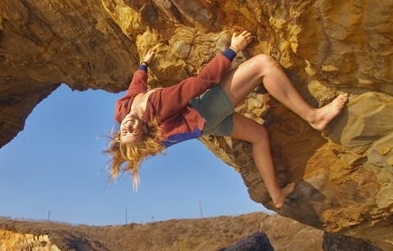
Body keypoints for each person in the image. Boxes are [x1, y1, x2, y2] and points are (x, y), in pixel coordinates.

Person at [106, 29, 349, 208]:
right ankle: (314, 116)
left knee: (259, 136)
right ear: (143, 131)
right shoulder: (158, 108)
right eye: (133, 133)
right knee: (263, 64)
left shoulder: (122, 110)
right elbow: (199, 84)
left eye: (125, 132)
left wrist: (143, 67)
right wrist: (233, 49)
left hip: (204, 126)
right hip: (207, 110)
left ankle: (276, 194)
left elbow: (134, 90)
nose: (128, 127)